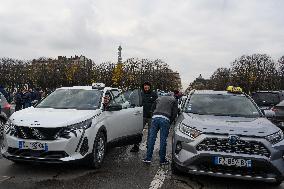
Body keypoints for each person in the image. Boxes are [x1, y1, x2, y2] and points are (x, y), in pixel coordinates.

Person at [143, 94, 178, 165]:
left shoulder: (159, 98)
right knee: (163, 140)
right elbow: (175, 113)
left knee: (151, 138)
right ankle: (162, 160)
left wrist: (154, 116)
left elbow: (152, 108)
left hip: (155, 118)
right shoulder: (174, 100)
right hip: (165, 119)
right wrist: (169, 121)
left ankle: (148, 158)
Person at [130, 82, 158, 152]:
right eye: (145, 85)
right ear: (143, 87)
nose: (146, 87)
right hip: (141, 116)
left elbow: (157, 104)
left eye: (147, 85)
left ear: (150, 86)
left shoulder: (154, 94)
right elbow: (135, 102)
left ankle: (149, 146)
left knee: (151, 132)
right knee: (138, 131)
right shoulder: (140, 94)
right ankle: (136, 146)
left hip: (151, 117)